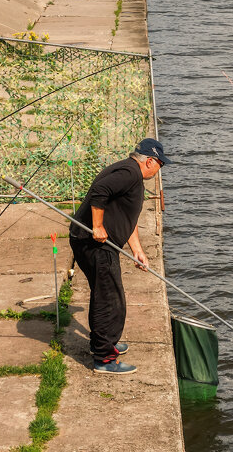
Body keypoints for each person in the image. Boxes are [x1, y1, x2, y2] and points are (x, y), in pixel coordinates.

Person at [70, 138, 172, 374]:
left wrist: (137, 250)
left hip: (100, 245)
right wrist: (97, 226)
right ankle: (104, 358)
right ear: (149, 161)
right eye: (160, 165)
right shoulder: (130, 174)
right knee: (110, 300)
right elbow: (100, 191)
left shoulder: (130, 173)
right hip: (94, 244)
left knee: (105, 293)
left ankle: (104, 343)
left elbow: (127, 217)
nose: (160, 170)